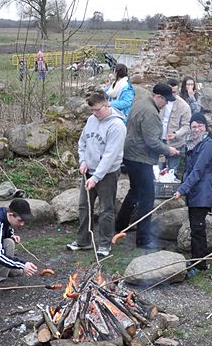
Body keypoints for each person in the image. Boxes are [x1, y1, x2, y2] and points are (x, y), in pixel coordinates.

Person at [115, 84, 179, 249]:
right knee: (147, 197)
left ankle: (120, 225)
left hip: (130, 155)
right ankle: (143, 238)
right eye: (165, 100)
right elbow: (152, 142)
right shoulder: (150, 112)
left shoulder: (140, 103)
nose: (166, 103)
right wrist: (169, 150)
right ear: (157, 96)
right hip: (140, 158)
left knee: (135, 191)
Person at [66, 91, 126, 258]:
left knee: (106, 209)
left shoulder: (117, 126)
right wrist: (83, 161)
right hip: (89, 170)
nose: (94, 113)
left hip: (107, 174)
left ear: (106, 105)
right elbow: (83, 142)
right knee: (84, 206)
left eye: (97, 110)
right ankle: (83, 241)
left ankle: (105, 244)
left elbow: (110, 156)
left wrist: (96, 177)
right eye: (91, 110)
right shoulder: (92, 120)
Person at [173, 112, 212, 276]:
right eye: (194, 126)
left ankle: (199, 264)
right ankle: (196, 260)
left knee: (198, 229)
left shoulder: (207, 144)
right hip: (194, 192)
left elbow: (198, 171)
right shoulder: (192, 144)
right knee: (195, 227)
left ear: (205, 127)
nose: (196, 129)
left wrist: (182, 189)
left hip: (202, 192)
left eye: (200, 126)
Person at [159, 80, 191, 174]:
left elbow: (186, 125)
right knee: (158, 169)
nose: (172, 94)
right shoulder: (160, 101)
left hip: (176, 143)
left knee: (172, 171)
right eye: (170, 92)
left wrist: (176, 134)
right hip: (160, 141)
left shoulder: (184, 106)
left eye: (174, 92)